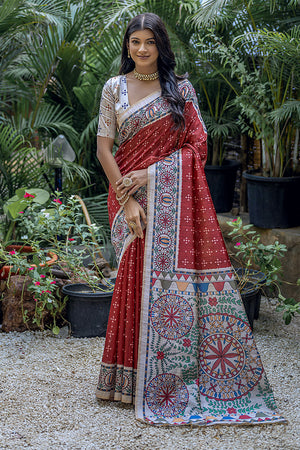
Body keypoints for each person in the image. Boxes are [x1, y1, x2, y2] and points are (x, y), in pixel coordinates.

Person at [95, 12, 285, 426]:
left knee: (155, 279)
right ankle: (127, 378)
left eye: (149, 42)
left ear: (162, 46)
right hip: (126, 193)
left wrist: (151, 174)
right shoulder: (114, 89)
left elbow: (196, 148)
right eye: (134, 42)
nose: (141, 50)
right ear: (127, 46)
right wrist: (127, 198)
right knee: (132, 272)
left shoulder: (181, 90)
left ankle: (164, 378)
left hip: (167, 192)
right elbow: (104, 150)